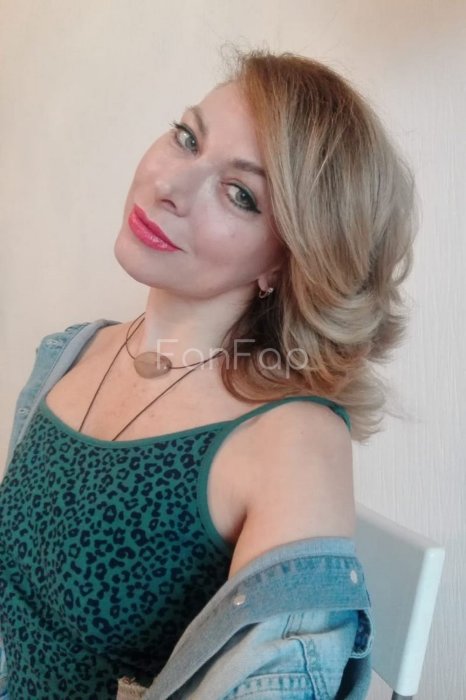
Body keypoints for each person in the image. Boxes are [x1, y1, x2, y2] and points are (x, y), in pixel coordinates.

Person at [0, 48, 415, 699]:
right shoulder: (67, 354)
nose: (170, 185)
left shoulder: (292, 442)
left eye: (240, 194)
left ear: (286, 260)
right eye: (188, 138)